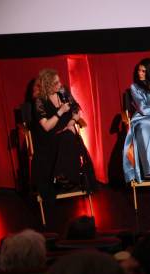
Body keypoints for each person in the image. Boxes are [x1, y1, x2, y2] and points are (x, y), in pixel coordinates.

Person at [31, 69, 96, 201]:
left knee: (69, 136)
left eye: (59, 81)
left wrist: (72, 121)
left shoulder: (62, 91)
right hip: (50, 138)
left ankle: (66, 177)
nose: (60, 84)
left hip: (66, 132)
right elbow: (47, 126)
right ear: (47, 85)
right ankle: (64, 178)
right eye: (56, 83)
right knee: (67, 137)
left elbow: (76, 110)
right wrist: (60, 111)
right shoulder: (40, 101)